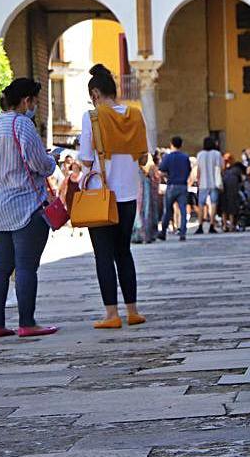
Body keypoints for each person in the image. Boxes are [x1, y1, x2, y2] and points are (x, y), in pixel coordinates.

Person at [0, 78, 58, 338]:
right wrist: (53, 159)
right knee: (26, 266)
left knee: (0, 267)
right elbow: (41, 164)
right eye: (35, 101)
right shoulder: (23, 124)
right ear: (27, 101)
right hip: (25, 205)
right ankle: (27, 322)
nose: (35, 106)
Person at [79, 65, 150, 329]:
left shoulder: (93, 117)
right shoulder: (135, 115)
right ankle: (133, 310)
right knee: (124, 252)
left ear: (96, 93)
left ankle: (112, 314)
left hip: (101, 195)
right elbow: (143, 156)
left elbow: (86, 159)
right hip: (129, 194)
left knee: (103, 255)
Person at [158, 137, 191, 241]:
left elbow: (161, 170)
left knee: (167, 210)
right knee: (183, 210)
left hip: (171, 185)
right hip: (182, 185)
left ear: (171, 144)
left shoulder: (168, 157)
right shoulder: (185, 157)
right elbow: (188, 170)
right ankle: (182, 233)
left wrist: (167, 176)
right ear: (181, 145)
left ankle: (163, 232)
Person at [195, 136, 223, 234]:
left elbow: (198, 170)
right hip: (214, 182)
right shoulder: (217, 154)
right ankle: (212, 224)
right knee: (214, 203)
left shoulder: (200, 154)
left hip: (203, 183)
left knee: (201, 204)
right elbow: (220, 167)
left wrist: (197, 181)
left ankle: (200, 225)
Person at [220, 153, 245, 232]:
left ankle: (225, 225)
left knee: (224, 208)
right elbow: (241, 179)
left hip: (223, 190)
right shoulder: (236, 169)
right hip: (233, 190)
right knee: (232, 208)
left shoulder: (222, 169)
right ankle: (231, 225)